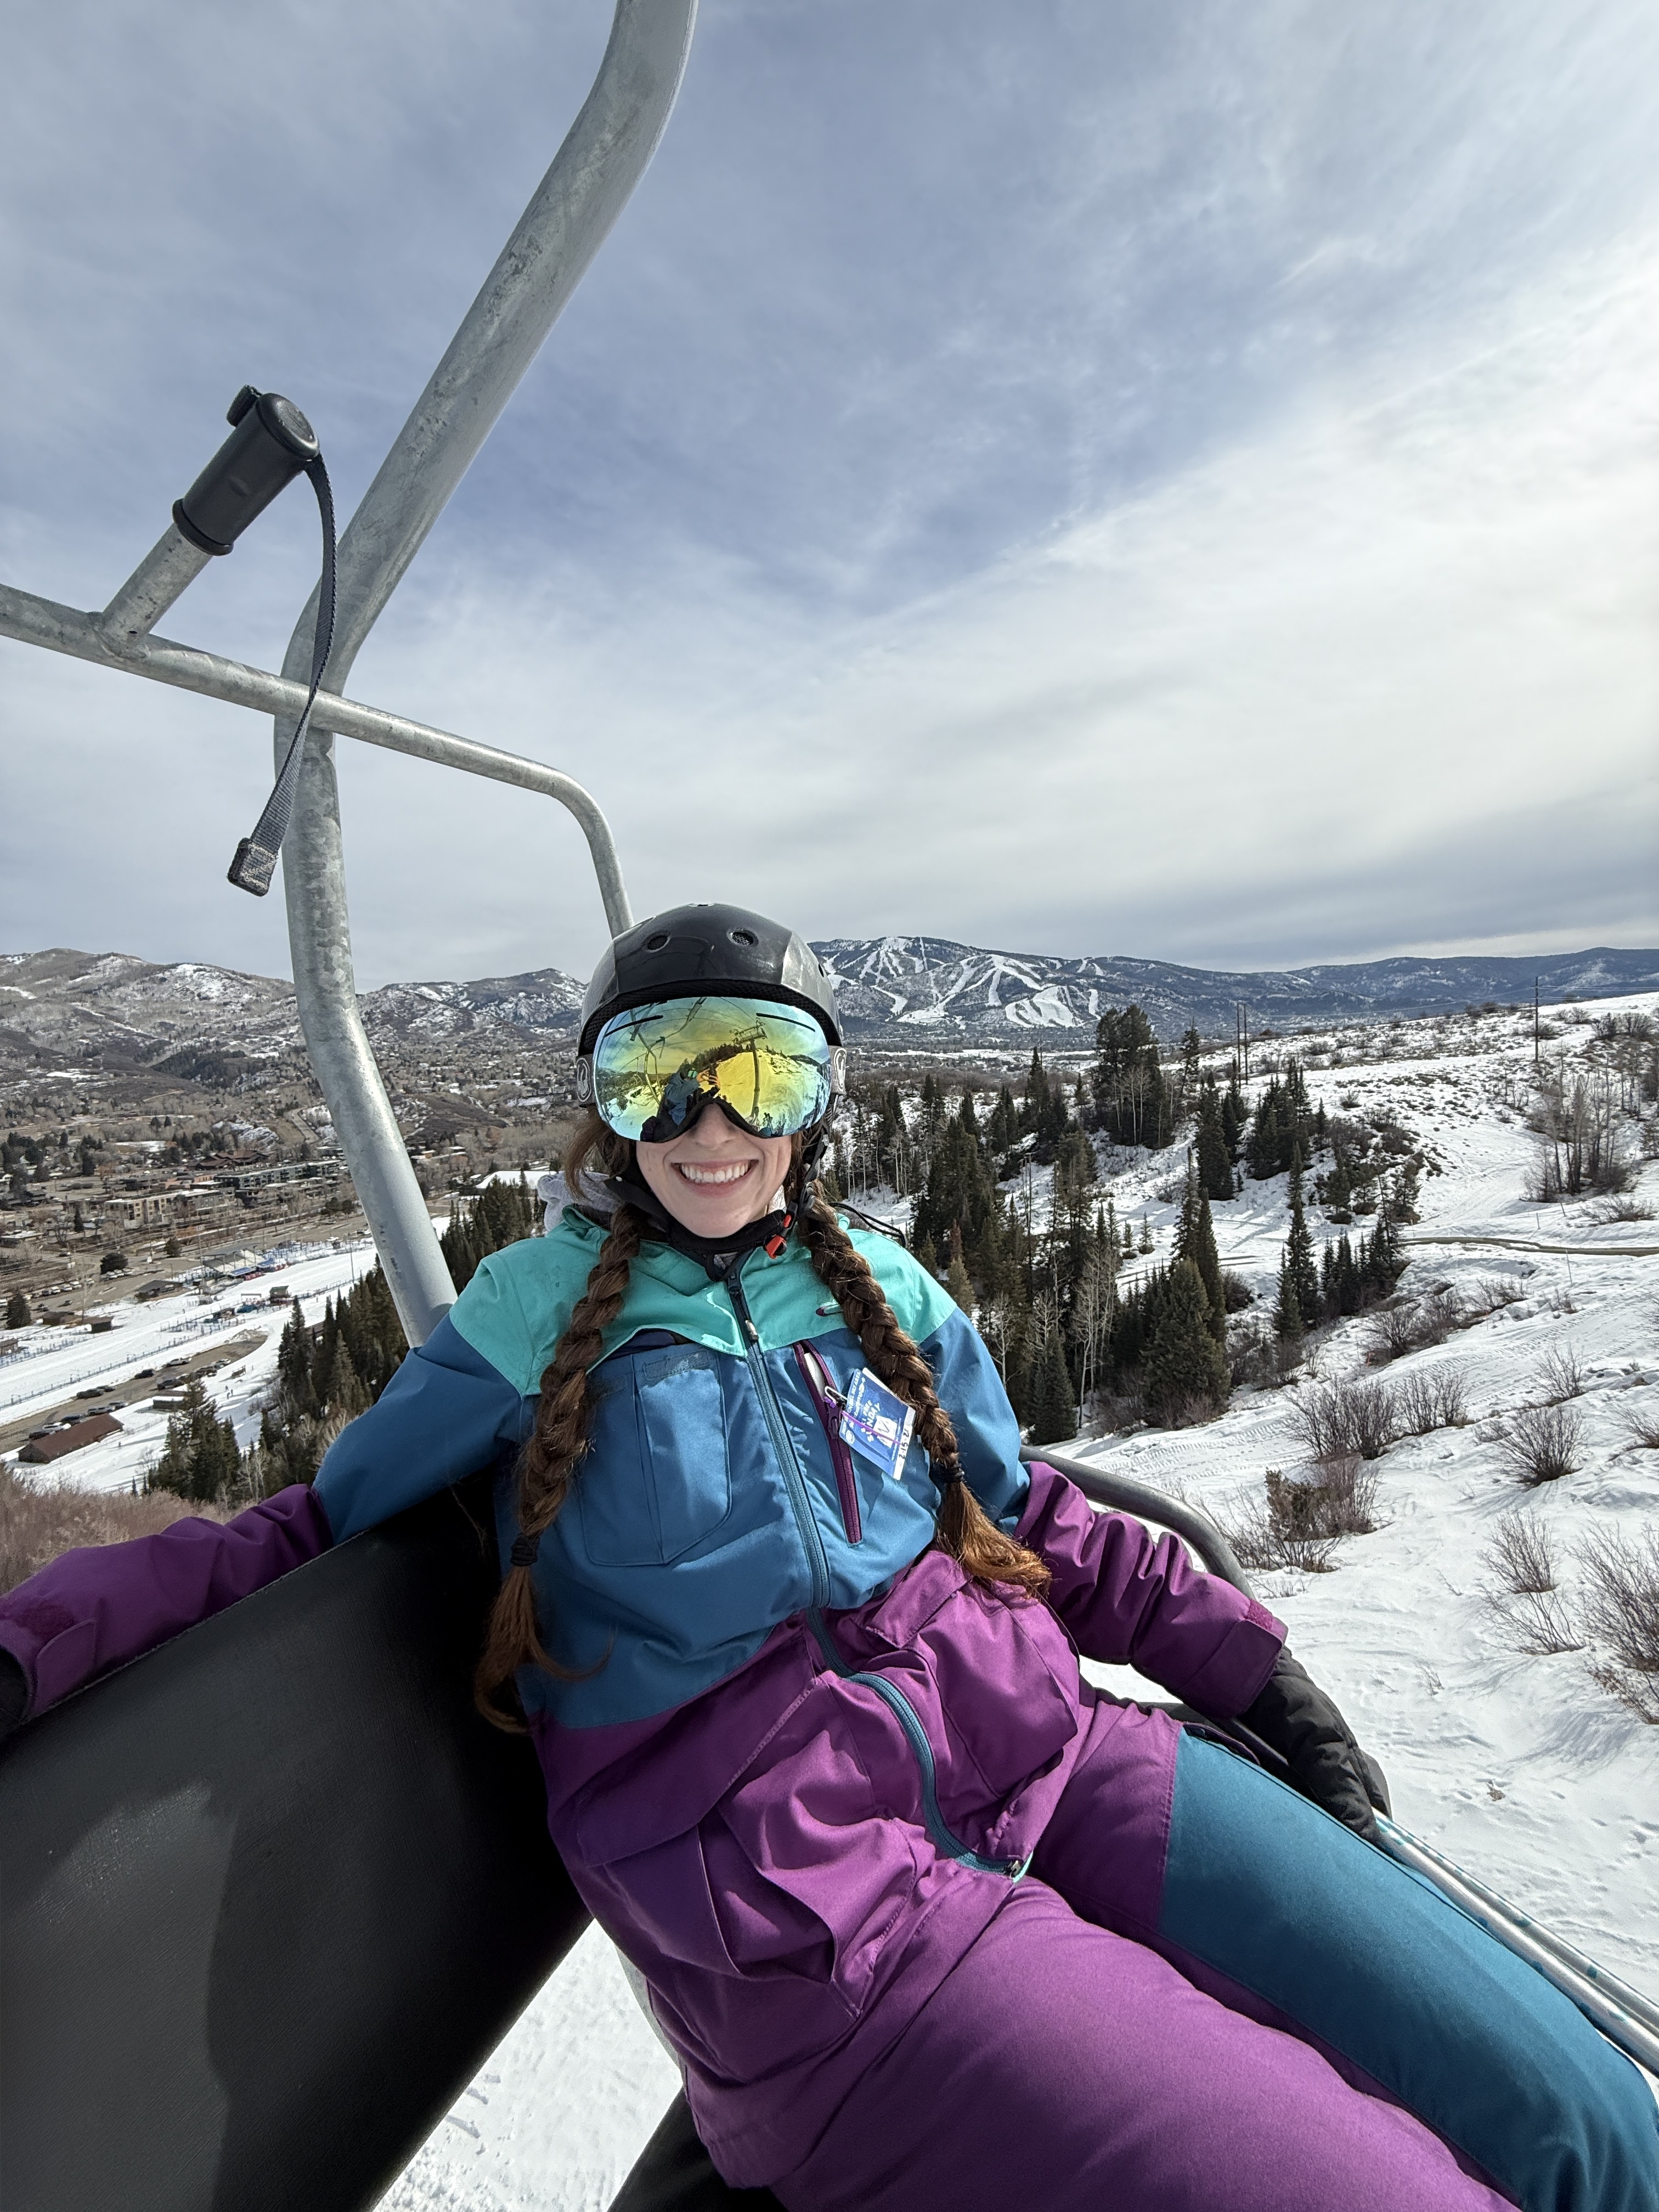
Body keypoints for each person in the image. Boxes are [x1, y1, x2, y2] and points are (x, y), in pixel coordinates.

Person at [0, 903, 1654, 2212]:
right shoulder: (529, 1321)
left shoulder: (883, 1287)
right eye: (660, 1072)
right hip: (825, 1937)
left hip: (1056, 1759)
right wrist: (34, 1639)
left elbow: (1032, 1525)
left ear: (820, 1101)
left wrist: (1241, 1658)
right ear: (605, 1103)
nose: (710, 1122)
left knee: (1592, 2130)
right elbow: (294, 1536)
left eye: (760, 1072)